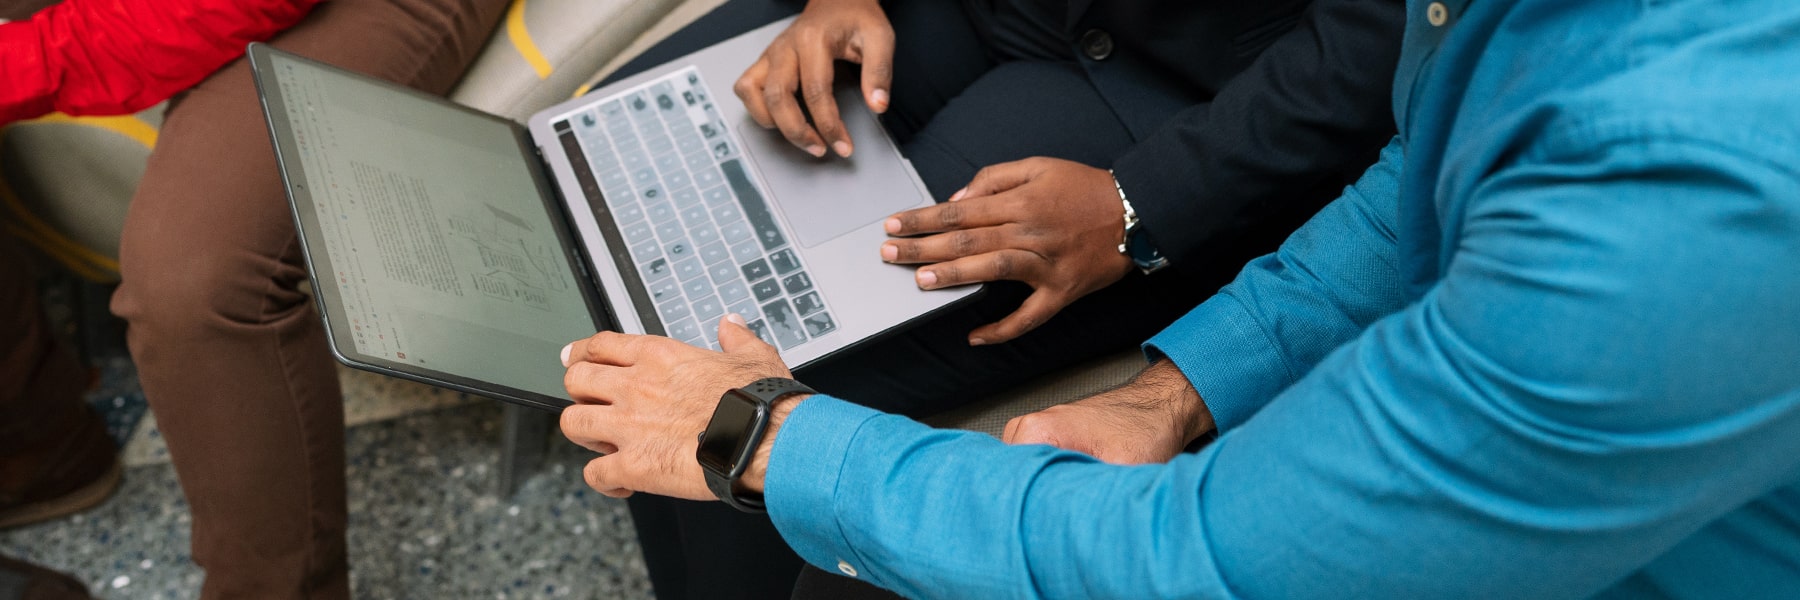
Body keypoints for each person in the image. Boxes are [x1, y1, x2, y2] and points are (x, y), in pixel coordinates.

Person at [556, 0, 1800, 596]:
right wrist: (1180, 390)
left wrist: (760, 437)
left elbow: (1199, 564)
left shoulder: (1674, 198)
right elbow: (1422, 168)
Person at [594, 0, 1404, 595]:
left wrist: (1141, 203)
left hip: (1196, 86)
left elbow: (1390, 33)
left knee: (738, 376)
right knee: (598, 206)